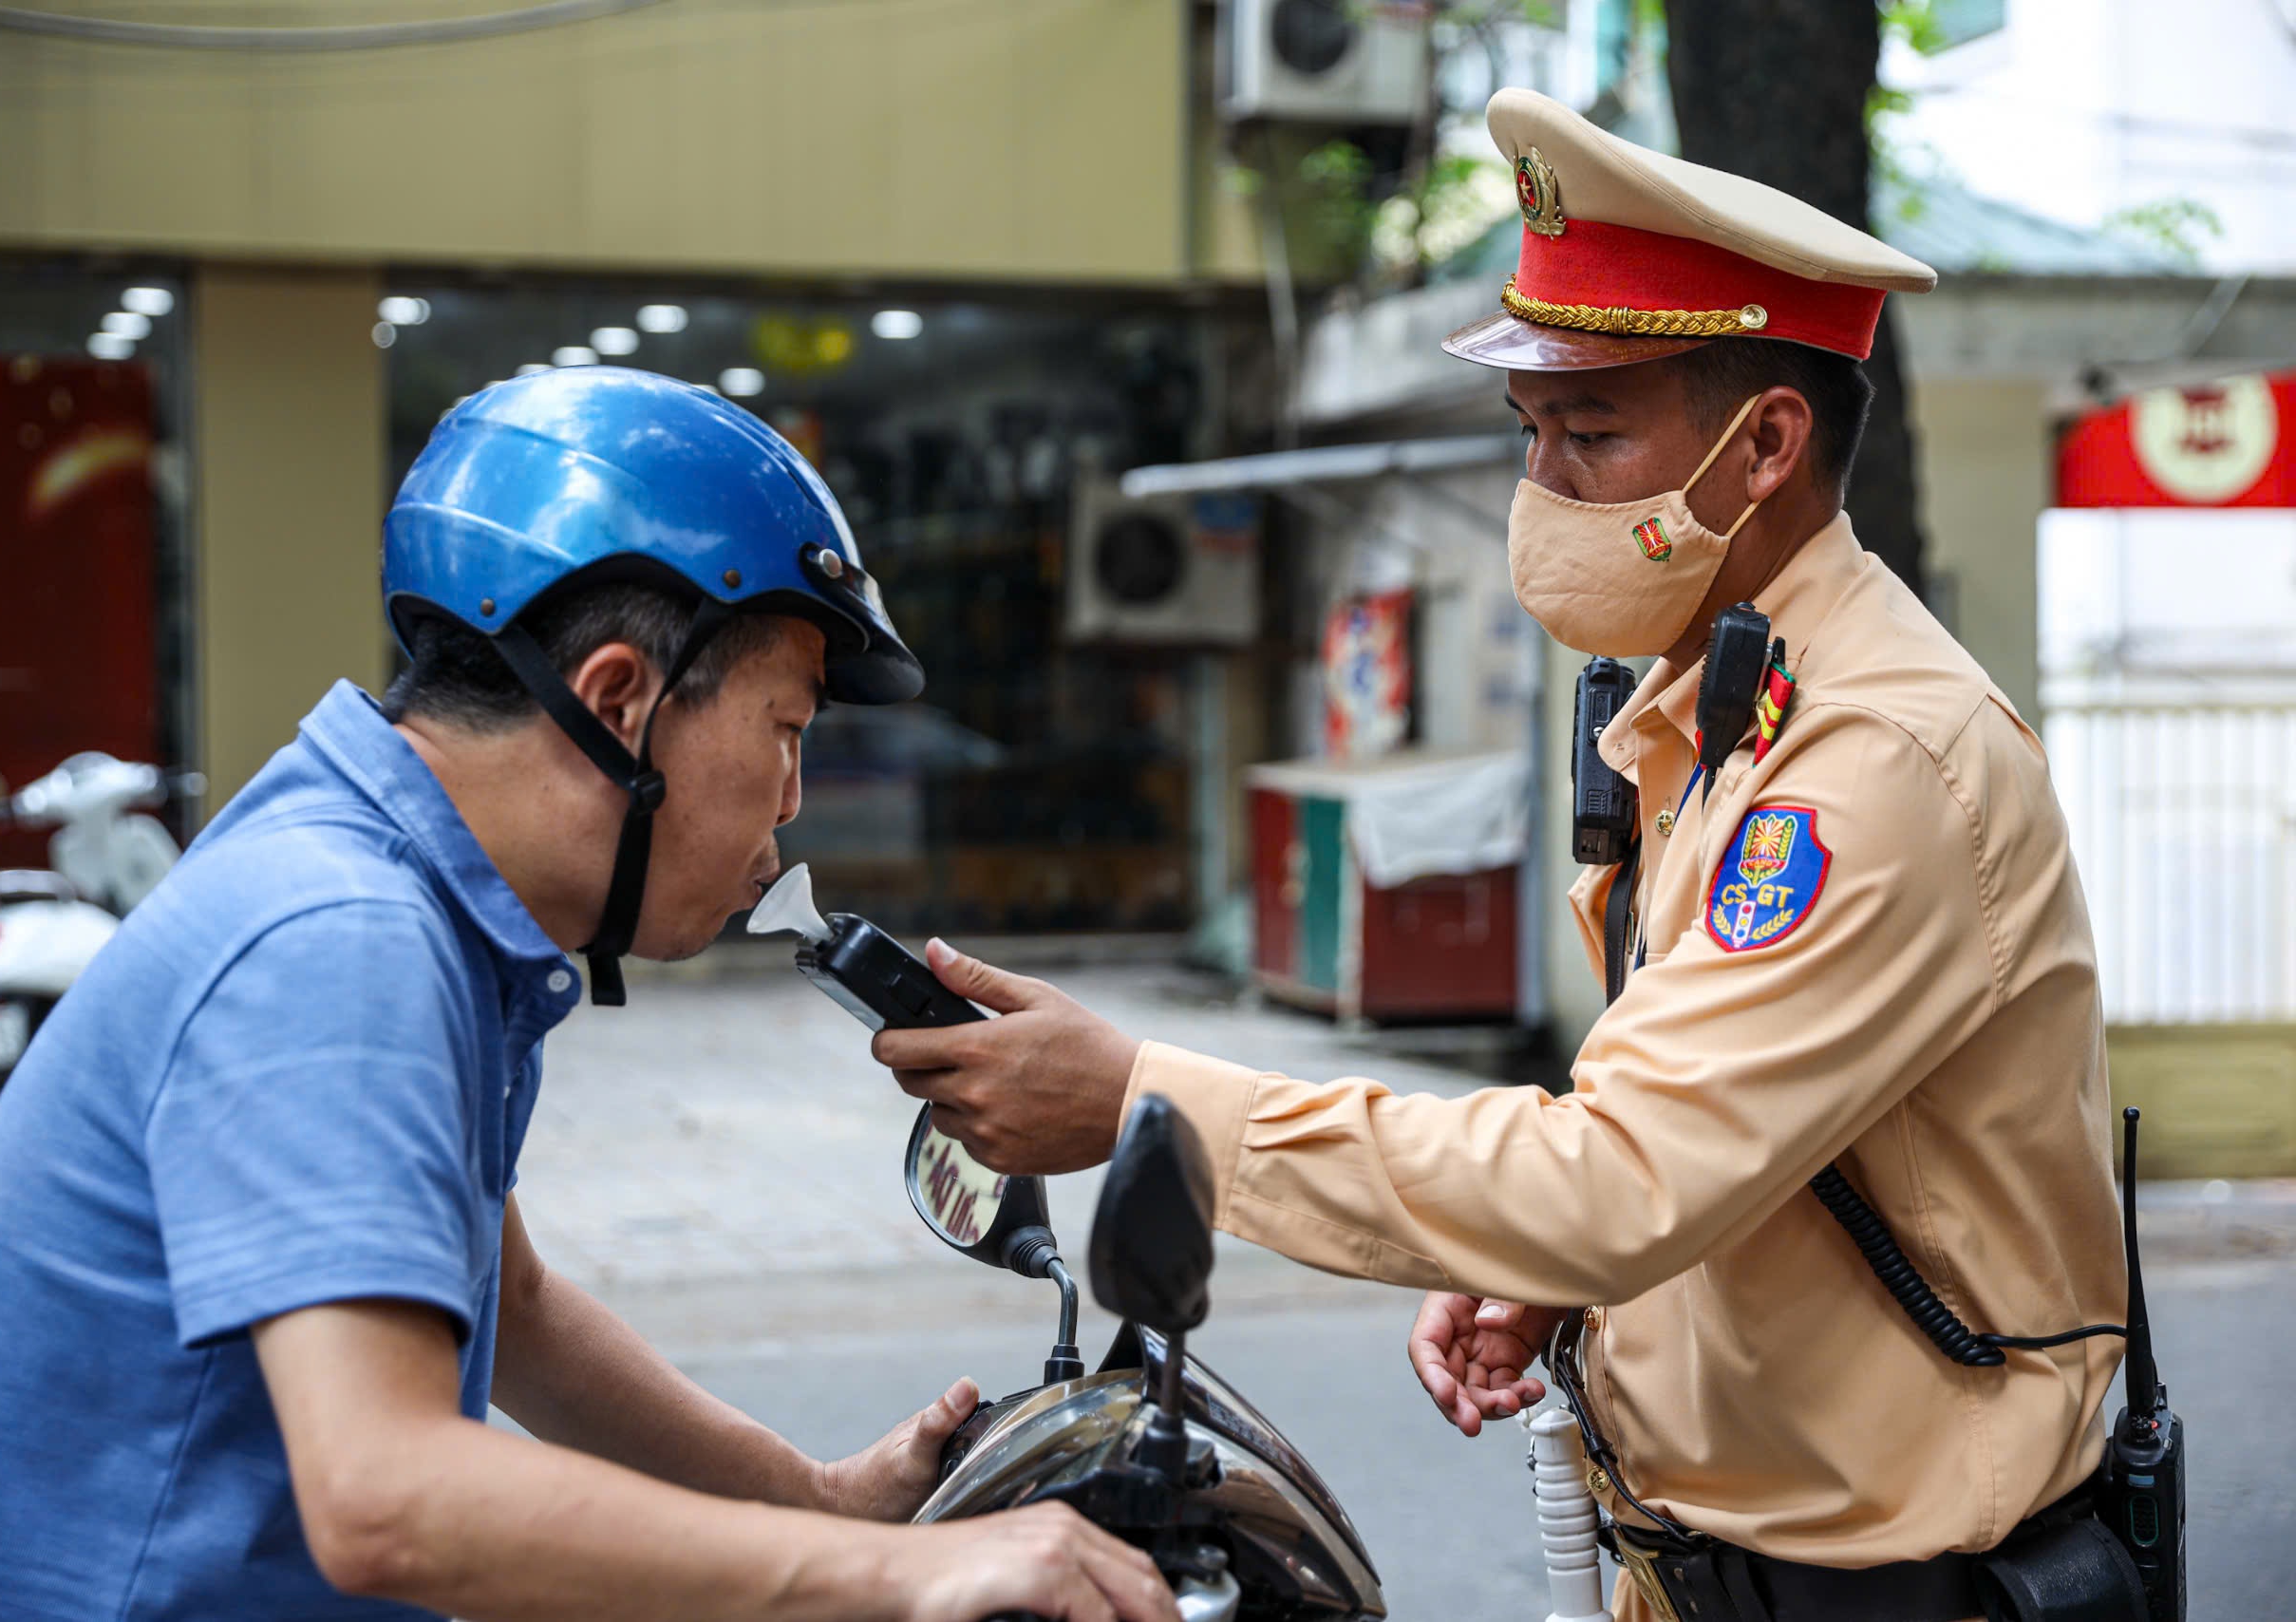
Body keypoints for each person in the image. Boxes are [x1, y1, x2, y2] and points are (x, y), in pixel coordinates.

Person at [873, 91, 2130, 1621]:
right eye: (1532, 434)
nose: (1544, 491)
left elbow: (1620, 1175)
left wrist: (1148, 1103)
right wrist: (1575, 1275)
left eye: (1591, 435)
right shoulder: (1720, 706)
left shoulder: (1872, 763)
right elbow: (1717, 1127)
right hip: (1706, 1566)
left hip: (1886, 1591)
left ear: (1767, 447)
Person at [0, 368, 1176, 1622]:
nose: (792, 799)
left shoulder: (417, 903)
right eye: (785, 730)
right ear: (618, 701)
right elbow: (383, 1495)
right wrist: (893, 1583)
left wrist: (823, 1505)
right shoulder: (342, 942)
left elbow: (525, 1315)